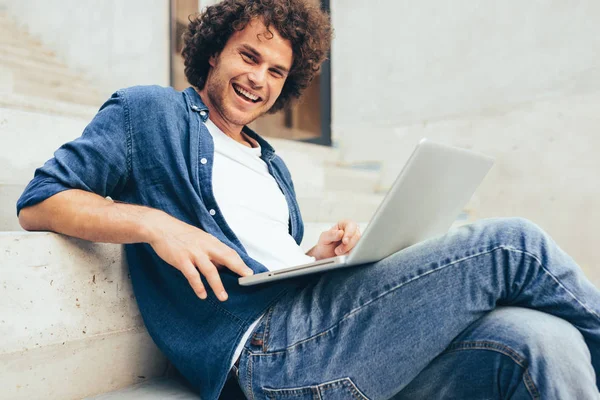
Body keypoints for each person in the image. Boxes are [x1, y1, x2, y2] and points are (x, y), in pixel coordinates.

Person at [16, 0, 600, 399]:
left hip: (329, 339)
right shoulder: (149, 113)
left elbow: (267, 264)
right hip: (272, 358)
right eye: (249, 56)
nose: (259, 80)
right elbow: (40, 200)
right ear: (215, 50)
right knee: (514, 245)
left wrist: (313, 257)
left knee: (541, 339)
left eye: (276, 71)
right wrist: (152, 223)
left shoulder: (271, 164)